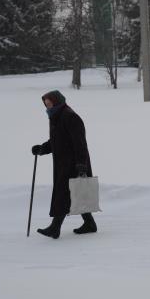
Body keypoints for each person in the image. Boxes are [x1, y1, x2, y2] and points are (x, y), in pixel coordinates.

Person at [32, 90, 98, 239]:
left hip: (73, 163)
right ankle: (89, 224)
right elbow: (57, 141)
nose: (47, 107)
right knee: (76, 193)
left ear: (57, 102)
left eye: (49, 104)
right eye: (46, 104)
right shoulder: (56, 117)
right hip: (62, 163)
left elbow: (80, 143)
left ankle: (55, 228)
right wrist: (42, 149)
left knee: (65, 193)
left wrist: (81, 165)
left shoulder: (70, 116)